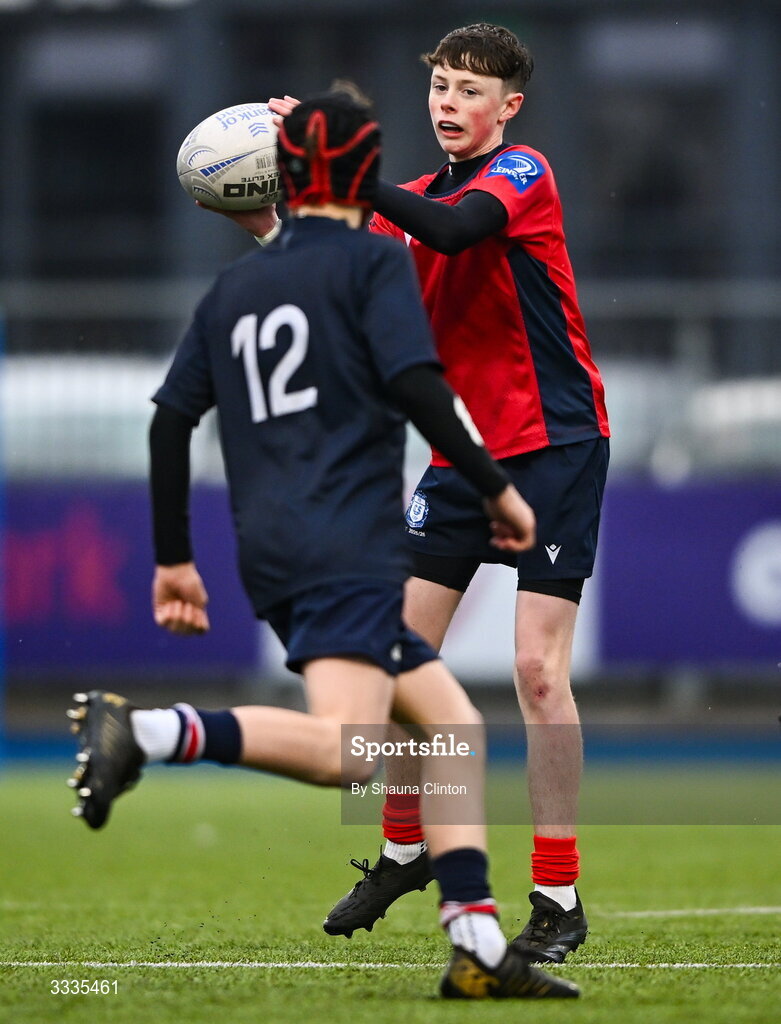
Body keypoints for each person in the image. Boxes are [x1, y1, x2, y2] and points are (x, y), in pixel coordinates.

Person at [66, 87, 579, 1001]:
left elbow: (170, 421)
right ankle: (146, 729)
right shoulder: (367, 268)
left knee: (452, 727)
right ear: (359, 173)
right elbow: (421, 385)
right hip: (343, 538)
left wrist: (173, 557)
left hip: (273, 540)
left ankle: (474, 944)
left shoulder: (242, 285)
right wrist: (497, 487)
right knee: (349, 751)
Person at [265, 23, 610, 965]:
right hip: (462, 458)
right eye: (441, 87)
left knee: (538, 674)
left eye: (470, 91)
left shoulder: (521, 174)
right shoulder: (409, 198)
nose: (450, 104)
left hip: (554, 445)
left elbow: (455, 233)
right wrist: (280, 196)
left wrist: (343, 166)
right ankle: (403, 845)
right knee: (390, 665)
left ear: (509, 108)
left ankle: (555, 894)